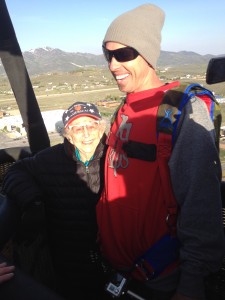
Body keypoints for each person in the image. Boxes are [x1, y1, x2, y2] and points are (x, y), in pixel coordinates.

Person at [96, 3, 225, 300]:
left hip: (158, 279)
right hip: (115, 269)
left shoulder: (182, 113)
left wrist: (190, 287)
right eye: (108, 54)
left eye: (123, 54)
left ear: (148, 54)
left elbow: (201, 204)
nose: (112, 65)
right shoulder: (124, 108)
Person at [1, 101, 107, 300]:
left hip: (112, 255)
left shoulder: (115, 156)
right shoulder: (50, 159)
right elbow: (15, 172)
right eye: (77, 128)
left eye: (91, 126)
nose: (86, 134)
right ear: (67, 133)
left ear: (101, 128)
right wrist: (33, 201)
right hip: (69, 259)